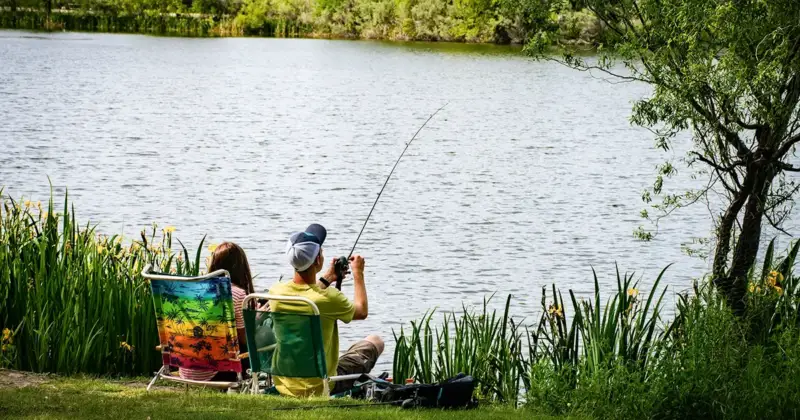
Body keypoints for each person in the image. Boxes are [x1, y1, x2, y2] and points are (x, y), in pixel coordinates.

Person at [269, 223, 384, 397]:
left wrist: (329, 277)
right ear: (317, 260)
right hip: (320, 384)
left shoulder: (276, 293)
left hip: (285, 383)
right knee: (375, 341)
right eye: (321, 250)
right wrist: (358, 273)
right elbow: (361, 311)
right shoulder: (328, 298)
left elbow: (308, 295)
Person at [179, 241, 255, 382]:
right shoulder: (237, 294)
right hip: (216, 373)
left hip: (187, 369)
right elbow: (245, 338)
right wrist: (257, 319)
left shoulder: (194, 291)